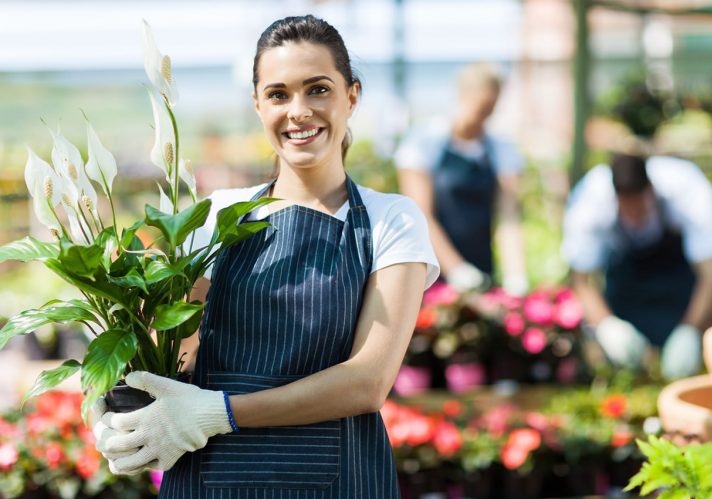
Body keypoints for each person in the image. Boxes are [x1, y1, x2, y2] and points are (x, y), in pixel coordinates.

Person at [92, 15, 439, 497]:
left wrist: (219, 413)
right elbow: (180, 353)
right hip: (212, 479)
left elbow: (367, 381)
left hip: (339, 480)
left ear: (351, 96)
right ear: (258, 104)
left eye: (318, 89)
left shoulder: (390, 220)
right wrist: (116, 397)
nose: (298, 111)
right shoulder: (216, 216)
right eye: (278, 94)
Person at [562, 152, 712, 380]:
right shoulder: (589, 201)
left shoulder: (687, 189)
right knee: (623, 369)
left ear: (650, 191)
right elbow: (581, 281)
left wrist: (691, 330)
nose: (634, 215)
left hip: (678, 288)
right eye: (626, 207)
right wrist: (606, 325)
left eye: (639, 206)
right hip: (625, 288)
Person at [395, 62, 527, 294]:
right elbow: (420, 215)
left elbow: (508, 216)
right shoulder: (423, 144)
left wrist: (515, 274)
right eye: (481, 108)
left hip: (481, 268)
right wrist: (456, 269)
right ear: (462, 95)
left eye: (491, 109)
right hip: (432, 274)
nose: (484, 117)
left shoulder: (501, 150)